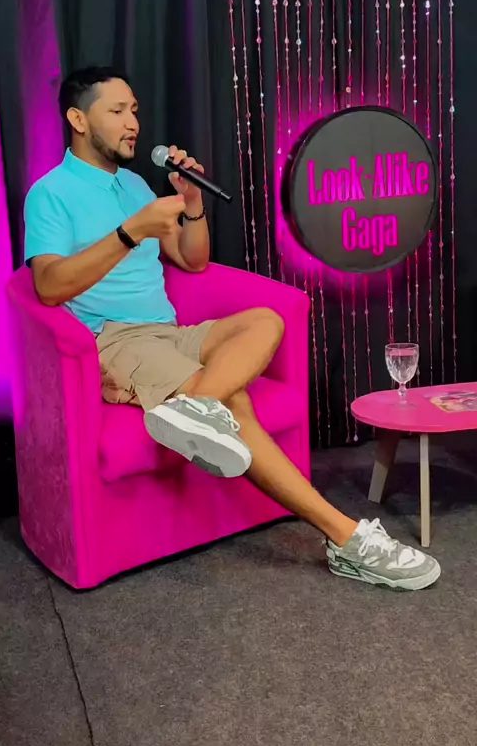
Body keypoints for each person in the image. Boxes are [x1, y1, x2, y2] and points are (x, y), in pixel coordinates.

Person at [24, 66, 440, 591]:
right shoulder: (50, 193)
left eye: (135, 110)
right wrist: (130, 232)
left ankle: (195, 406)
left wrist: (191, 205)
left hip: (170, 331)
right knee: (237, 401)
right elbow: (48, 287)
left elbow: (191, 260)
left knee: (265, 320)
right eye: (118, 111)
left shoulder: (134, 185)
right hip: (114, 340)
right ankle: (347, 538)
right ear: (78, 119)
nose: (133, 123)